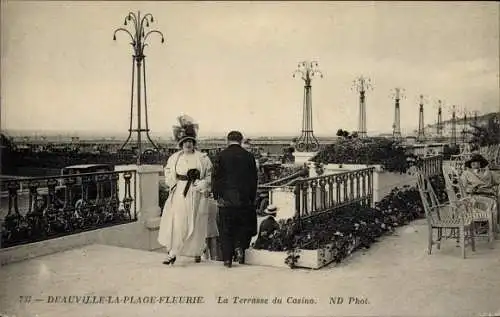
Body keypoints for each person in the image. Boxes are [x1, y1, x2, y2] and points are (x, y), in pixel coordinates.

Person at [158, 115, 213, 265]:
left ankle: (196, 251)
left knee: (197, 222)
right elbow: (168, 172)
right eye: (185, 142)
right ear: (181, 144)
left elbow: (209, 175)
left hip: (197, 193)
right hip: (181, 193)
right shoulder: (175, 158)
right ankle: (173, 253)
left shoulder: (203, 158)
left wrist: (203, 184)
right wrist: (174, 184)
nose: (188, 144)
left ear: (194, 143)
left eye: (190, 141)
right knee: (179, 222)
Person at [212, 131, 258, 267]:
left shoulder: (221, 155)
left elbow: (215, 177)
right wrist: (251, 197)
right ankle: (239, 247)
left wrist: (217, 195)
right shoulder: (249, 156)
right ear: (241, 140)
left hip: (226, 200)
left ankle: (227, 258)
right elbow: (253, 179)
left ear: (228, 140)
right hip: (244, 199)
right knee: (242, 226)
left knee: (226, 229)